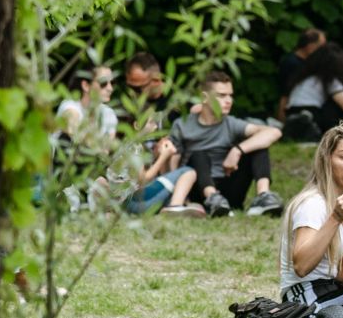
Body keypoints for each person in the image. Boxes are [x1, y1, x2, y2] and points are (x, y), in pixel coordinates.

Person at [279, 123, 343, 318]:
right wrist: (336, 218)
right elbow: (301, 266)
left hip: (332, 290)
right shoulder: (312, 203)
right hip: (304, 299)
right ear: (327, 162)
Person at [170, 71, 284, 217]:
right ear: (205, 97)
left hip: (229, 189)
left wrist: (237, 150)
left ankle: (263, 196)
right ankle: (212, 198)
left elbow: (274, 132)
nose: (229, 100)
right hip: (198, 192)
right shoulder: (182, 124)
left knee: (259, 145)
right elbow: (173, 165)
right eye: (222, 95)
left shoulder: (231, 123)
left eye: (230, 95)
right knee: (198, 154)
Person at [283, 42, 343, 142]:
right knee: (337, 105)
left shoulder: (304, 79)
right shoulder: (329, 80)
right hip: (312, 114)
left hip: (291, 112)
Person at [276, 28, 326, 124]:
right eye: (320, 46)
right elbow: (285, 96)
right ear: (310, 46)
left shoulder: (308, 62)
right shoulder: (292, 63)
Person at [57, 65, 118, 138]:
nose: (110, 88)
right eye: (103, 83)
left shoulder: (108, 113)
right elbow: (72, 130)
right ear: (86, 86)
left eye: (112, 83)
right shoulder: (70, 106)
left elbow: (108, 147)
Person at [124, 52, 180, 129]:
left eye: (137, 89)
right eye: (129, 86)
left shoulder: (180, 100)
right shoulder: (129, 104)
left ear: (156, 80)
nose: (131, 92)